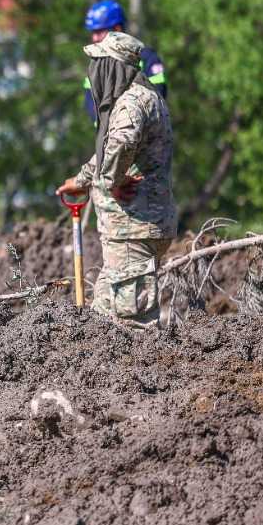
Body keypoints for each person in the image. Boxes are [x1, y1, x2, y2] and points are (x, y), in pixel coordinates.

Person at [56, 31, 177, 330]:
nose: (93, 71)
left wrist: (111, 181)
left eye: (98, 63)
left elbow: (120, 144)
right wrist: (83, 179)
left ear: (113, 66)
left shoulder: (133, 103)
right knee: (103, 316)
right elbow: (111, 152)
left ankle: (147, 375)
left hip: (134, 229)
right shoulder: (137, 97)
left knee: (133, 324)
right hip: (132, 229)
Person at [83, 0, 166, 122]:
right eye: (93, 32)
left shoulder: (146, 57)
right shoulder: (95, 65)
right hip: (111, 136)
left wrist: (128, 121)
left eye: (99, 31)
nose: (94, 38)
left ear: (117, 29)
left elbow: (158, 95)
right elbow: (90, 103)